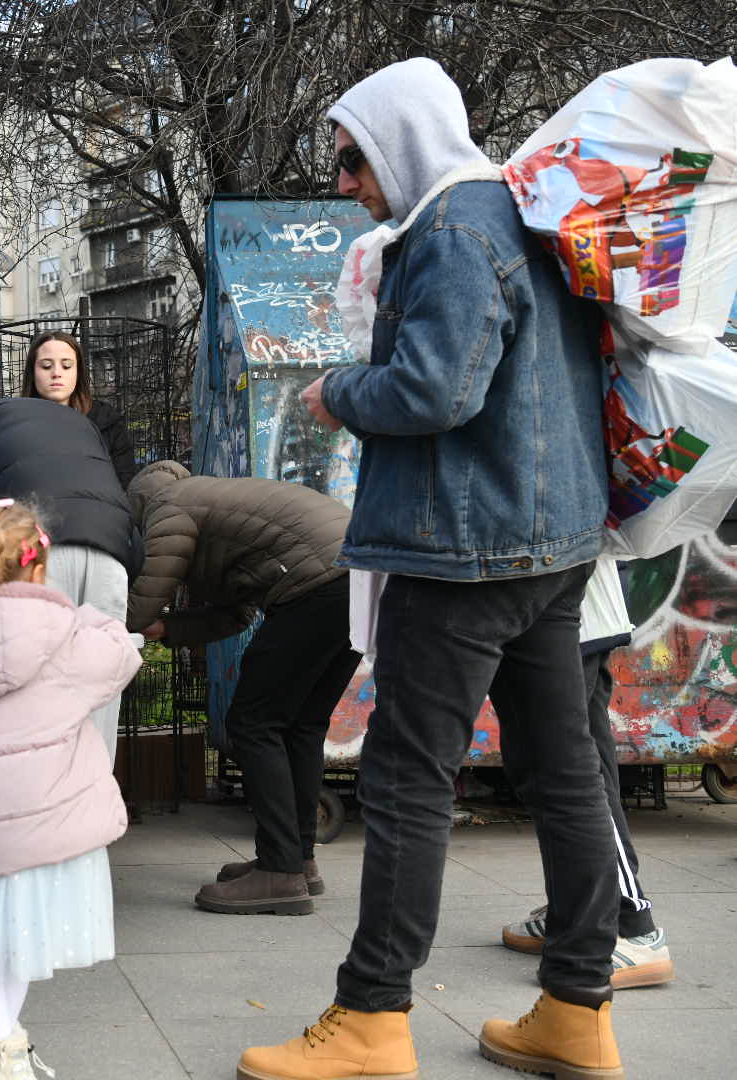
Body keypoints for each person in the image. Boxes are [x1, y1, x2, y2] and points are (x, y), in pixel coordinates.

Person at [239, 59, 622, 1080]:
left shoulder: (452, 232)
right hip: (551, 542)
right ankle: (579, 1008)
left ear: (400, 140)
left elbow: (435, 391)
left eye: (352, 157)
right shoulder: (523, 212)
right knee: (567, 775)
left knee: (407, 779)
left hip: (461, 550)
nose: (344, 182)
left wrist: (338, 392)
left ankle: (371, 1018)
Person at [0, 499, 141, 1080]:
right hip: (53, 825)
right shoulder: (67, 634)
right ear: (40, 566)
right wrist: (76, 610)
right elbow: (123, 652)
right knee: (20, 946)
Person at [126, 460, 359, 915]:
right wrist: (167, 630)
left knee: (253, 722)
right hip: (360, 579)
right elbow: (236, 614)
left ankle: (279, 872)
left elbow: (146, 595)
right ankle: (298, 860)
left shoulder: (169, 505)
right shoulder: (216, 506)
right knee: (300, 725)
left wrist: (109, 621)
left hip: (319, 585)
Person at [0, 396, 138, 761]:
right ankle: (92, 799)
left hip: (42, 550)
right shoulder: (81, 425)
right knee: (102, 687)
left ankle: (36, 797)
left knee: (34, 681)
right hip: (113, 551)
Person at [500, 556, 673, 988]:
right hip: (561, 609)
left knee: (568, 774)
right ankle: (580, 910)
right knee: (562, 767)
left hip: (562, 611)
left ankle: (632, 925)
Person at [22, 330, 135, 486]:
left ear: (78, 372)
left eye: (66, 366)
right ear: (32, 373)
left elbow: (125, 482)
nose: (56, 373)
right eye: (46, 366)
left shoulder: (106, 421)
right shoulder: (15, 425)